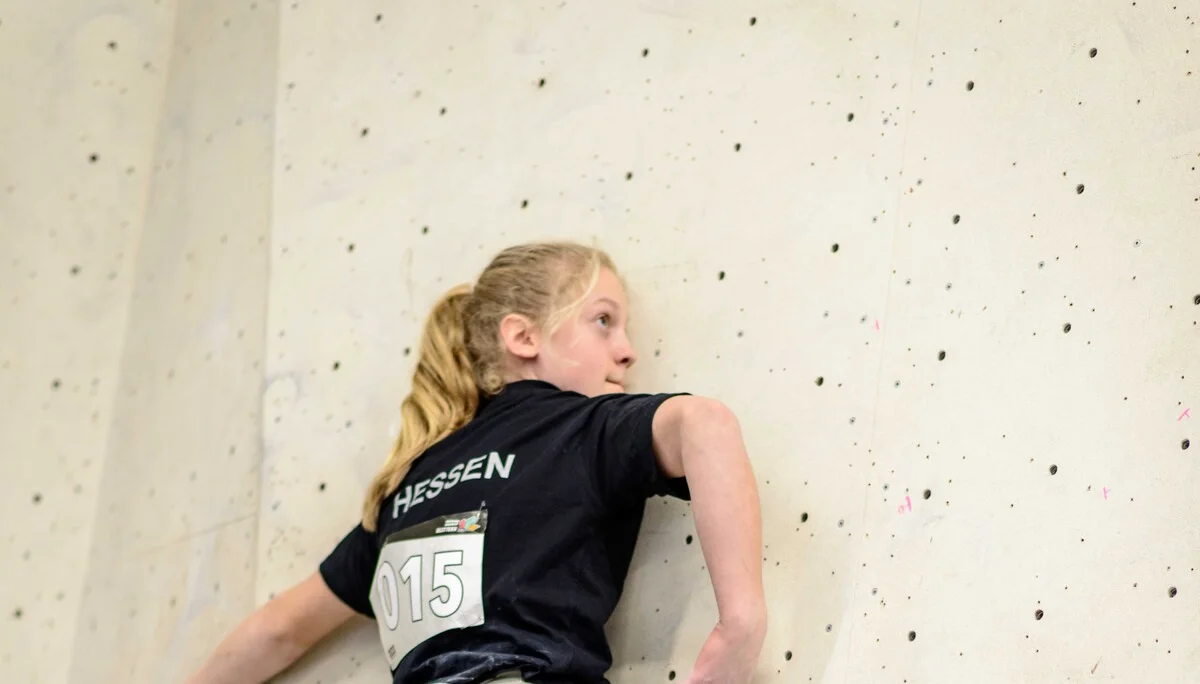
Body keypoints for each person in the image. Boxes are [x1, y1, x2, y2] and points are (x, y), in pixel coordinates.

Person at [186, 241, 766, 684]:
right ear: (522, 336)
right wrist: (740, 626)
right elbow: (704, 423)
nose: (627, 349)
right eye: (603, 320)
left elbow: (278, 630)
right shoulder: (578, 429)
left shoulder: (409, 486)